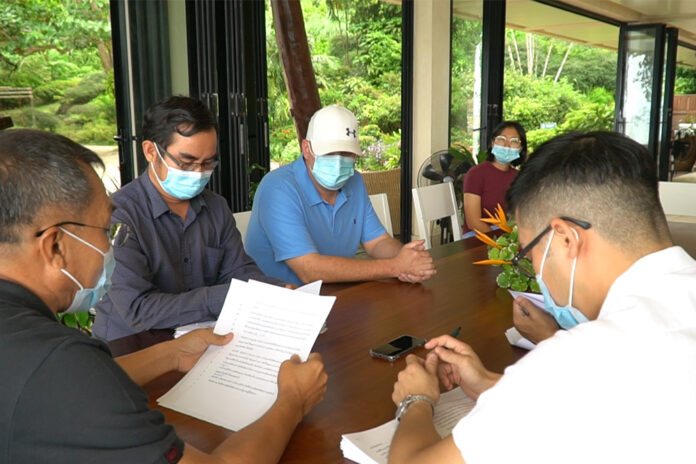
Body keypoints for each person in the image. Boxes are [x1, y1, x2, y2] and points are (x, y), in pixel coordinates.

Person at [0, 129, 327, 463]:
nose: (110, 246)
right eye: (105, 230)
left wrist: (171, 355)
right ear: (55, 245)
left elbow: (71, 383)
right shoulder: (58, 360)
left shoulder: (34, 348)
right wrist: (293, 400)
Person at [387, 131, 696, 463]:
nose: (535, 272)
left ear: (565, 239)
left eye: (529, 253)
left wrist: (416, 401)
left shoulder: (576, 360)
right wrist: (493, 385)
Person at [93, 96, 281, 341]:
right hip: (133, 350)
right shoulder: (118, 216)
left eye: (208, 163)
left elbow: (239, 270)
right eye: (186, 162)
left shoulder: (216, 207)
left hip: (206, 341)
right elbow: (138, 309)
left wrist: (269, 292)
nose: (199, 173)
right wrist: (226, 296)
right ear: (151, 151)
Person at [245, 104, 436, 286]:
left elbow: (377, 242)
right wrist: (395, 266)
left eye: (346, 153)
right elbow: (309, 270)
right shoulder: (278, 189)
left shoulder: (355, 182)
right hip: (279, 305)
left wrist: (407, 257)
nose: (338, 162)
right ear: (306, 149)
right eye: (329, 153)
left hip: (336, 294)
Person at [462, 121, 527, 234]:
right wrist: (499, 242)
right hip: (478, 236)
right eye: (502, 139)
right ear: (492, 143)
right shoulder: (476, 174)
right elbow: (473, 222)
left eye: (514, 141)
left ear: (520, 148)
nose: (507, 145)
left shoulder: (519, 178)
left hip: (509, 236)